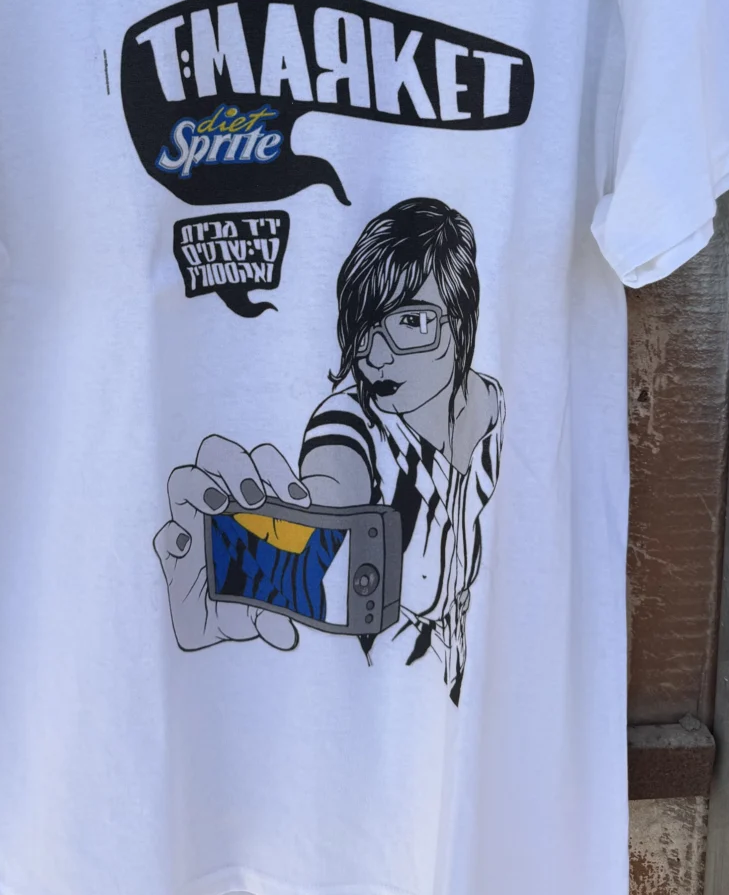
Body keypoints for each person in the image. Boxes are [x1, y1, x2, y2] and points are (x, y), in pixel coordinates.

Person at [153, 197, 504, 705]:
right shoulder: (348, 421)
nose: (376, 355)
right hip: (378, 715)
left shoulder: (497, 409)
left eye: (411, 321)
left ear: (462, 318)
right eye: (365, 328)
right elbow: (329, 496)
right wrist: (274, 546)